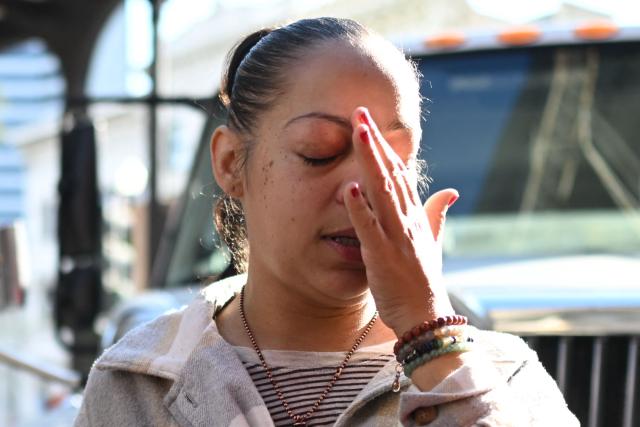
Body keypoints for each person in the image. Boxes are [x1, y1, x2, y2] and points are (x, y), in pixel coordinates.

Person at [75, 17, 578, 426]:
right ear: (230, 162)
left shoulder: (500, 376)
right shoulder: (139, 381)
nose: (363, 190)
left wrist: (432, 338)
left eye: (393, 161)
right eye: (320, 153)